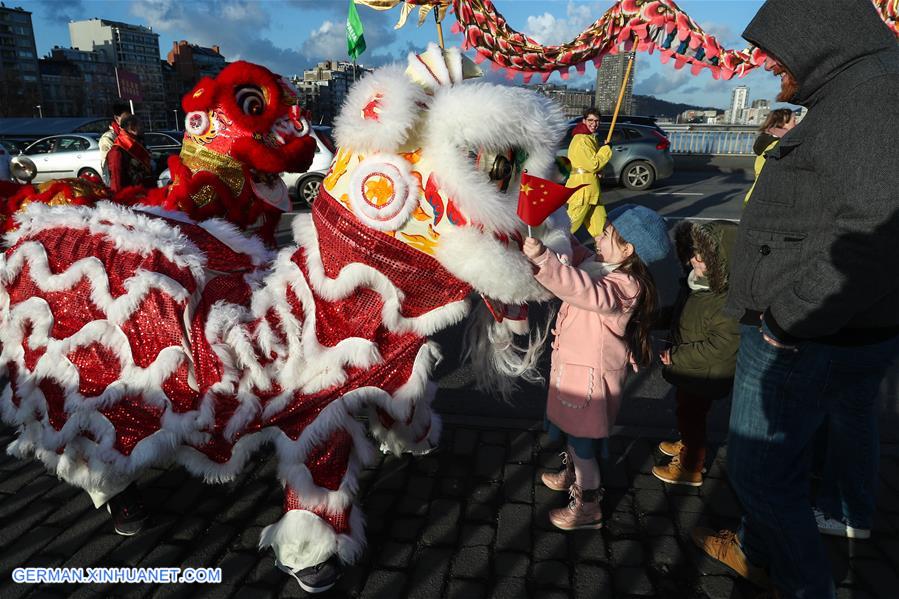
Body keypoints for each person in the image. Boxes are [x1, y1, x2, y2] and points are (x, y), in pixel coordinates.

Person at [691, 1, 899, 597]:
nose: (768, 62)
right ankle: (761, 548)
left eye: (776, 46)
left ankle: (808, 585)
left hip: (805, 334)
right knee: (814, 443)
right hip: (836, 330)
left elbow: (875, 231)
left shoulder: (874, 96)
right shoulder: (860, 87)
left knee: (760, 473)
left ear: (814, 32)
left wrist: (788, 318)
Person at [523, 204, 671, 531]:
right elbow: (576, 258)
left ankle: (588, 504)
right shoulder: (601, 264)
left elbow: (585, 290)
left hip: (591, 379)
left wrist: (545, 259)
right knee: (572, 430)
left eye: (606, 233)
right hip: (576, 370)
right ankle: (572, 473)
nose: (597, 236)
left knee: (583, 442)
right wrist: (556, 230)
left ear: (628, 248)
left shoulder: (625, 285)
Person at [654, 221, 740, 487]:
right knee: (687, 412)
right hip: (691, 368)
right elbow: (679, 313)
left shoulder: (724, 300)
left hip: (704, 372)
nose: (693, 261)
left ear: (719, 261)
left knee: (692, 416)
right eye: (692, 255)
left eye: (701, 258)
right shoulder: (696, 284)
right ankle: (688, 442)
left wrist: (678, 357)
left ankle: (691, 466)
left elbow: (722, 345)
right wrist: (651, 318)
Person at [565, 107, 613, 238]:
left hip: (591, 190)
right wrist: (606, 150)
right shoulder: (582, 139)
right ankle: (548, 250)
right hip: (583, 190)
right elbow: (593, 164)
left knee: (600, 226)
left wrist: (597, 172)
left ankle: (603, 250)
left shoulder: (588, 138)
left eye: (597, 121)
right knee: (568, 227)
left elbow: (588, 165)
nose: (594, 123)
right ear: (584, 121)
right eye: (590, 120)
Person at [744, 108, 797, 205]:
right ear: (782, 123)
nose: (796, 124)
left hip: (757, 196)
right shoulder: (779, 145)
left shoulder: (768, 141)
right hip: (767, 199)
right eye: (794, 121)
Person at [106, 115, 154, 193]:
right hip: (132, 197)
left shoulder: (138, 144)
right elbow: (116, 181)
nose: (143, 129)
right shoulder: (118, 151)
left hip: (144, 193)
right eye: (141, 126)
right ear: (132, 128)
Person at [99, 102, 132, 184]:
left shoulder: (128, 134)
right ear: (117, 119)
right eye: (126, 117)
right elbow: (110, 165)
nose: (129, 121)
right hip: (116, 180)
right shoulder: (108, 138)